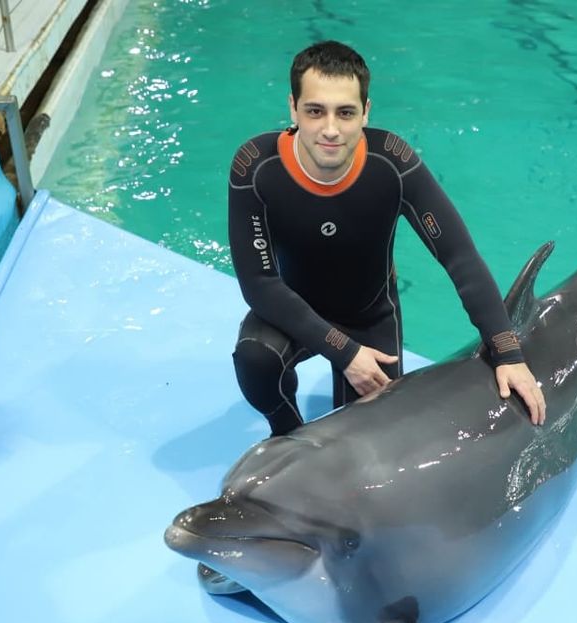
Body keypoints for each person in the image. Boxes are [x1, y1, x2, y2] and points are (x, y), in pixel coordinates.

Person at [228, 40, 546, 436]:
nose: (330, 129)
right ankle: (287, 436)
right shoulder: (257, 167)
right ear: (293, 108)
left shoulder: (391, 164)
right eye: (315, 111)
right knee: (256, 360)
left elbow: (459, 257)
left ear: (366, 112)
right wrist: (344, 353)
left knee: (369, 440)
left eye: (345, 112)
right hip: (294, 314)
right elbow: (259, 285)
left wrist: (507, 351)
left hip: (369, 318)